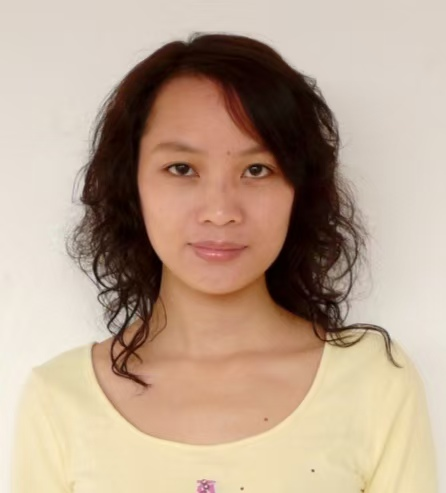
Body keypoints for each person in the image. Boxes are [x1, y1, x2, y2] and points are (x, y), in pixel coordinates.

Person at [11, 32, 438, 493]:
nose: (220, 211)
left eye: (257, 170)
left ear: (298, 190)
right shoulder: (58, 400)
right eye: (182, 169)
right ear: (131, 184)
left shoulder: (373, 382)